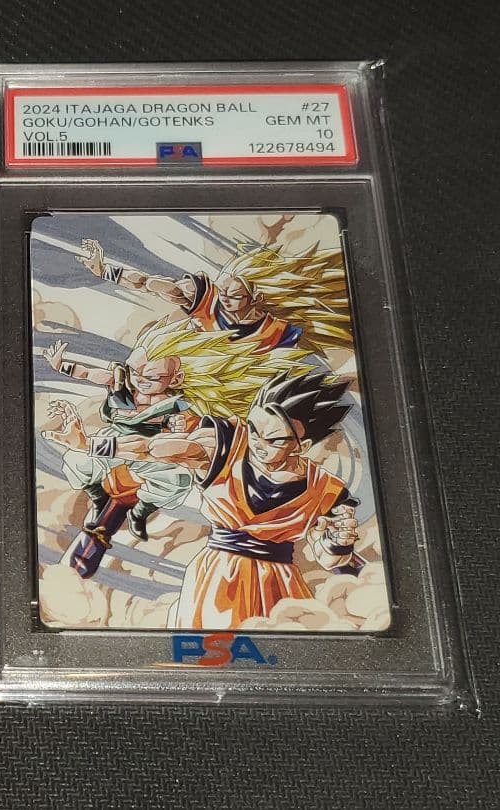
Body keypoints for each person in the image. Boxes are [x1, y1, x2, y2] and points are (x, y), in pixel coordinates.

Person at [42, 370, 361, 628]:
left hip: (281, 588)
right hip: (218, 579)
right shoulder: (225, 445)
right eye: (254, 430)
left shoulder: (326, 489)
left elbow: (330, 557)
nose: (257, 444)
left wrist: (338, 547)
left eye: (273, 440)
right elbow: (152, 448)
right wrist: (89, 445)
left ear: (301, 446)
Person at [41, 317, 308, 578]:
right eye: (136, 372)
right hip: (117, 439)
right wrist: (63, 366)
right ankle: (98, 496)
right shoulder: (124, 381)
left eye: (152, 377)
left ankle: (141, 511)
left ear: (175, 378)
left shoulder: (178, 405)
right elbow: (91, 374)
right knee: (79, 462)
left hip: (151, 453)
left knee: (168, 479)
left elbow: (170, 442)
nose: (140, 380)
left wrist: (179, 426)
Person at [77, 237, 352, 356]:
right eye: (224, 291)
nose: (225, 299)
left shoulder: (278, 331)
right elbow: (149, 283)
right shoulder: (206, 300)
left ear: (255, 298)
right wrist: (105, 271)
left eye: (234, 296)